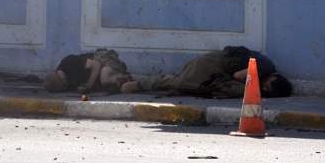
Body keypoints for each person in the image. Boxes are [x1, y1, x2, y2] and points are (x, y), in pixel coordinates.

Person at [119, 46, 292, 98]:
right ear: (271, 78)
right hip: (211, 65)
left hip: (219, 74)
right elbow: (238, 76)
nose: (263, 88)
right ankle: (135, 85)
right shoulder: (265, 67)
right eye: (266, 86)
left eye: (266, 91)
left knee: (242, 92)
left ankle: (202, 89)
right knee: (179, 82)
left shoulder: (266, 73)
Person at [44, 48, 131, 94]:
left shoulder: (69, 62)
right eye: (62, 89)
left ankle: (124, 76)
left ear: (60, 75)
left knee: (105, 80)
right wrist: (80, 88)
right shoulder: (64, 83)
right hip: (98, 77)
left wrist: (90, 83)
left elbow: (96, 64)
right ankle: (122, 82)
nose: (65, 88)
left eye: (62, 85)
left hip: (103, 62)